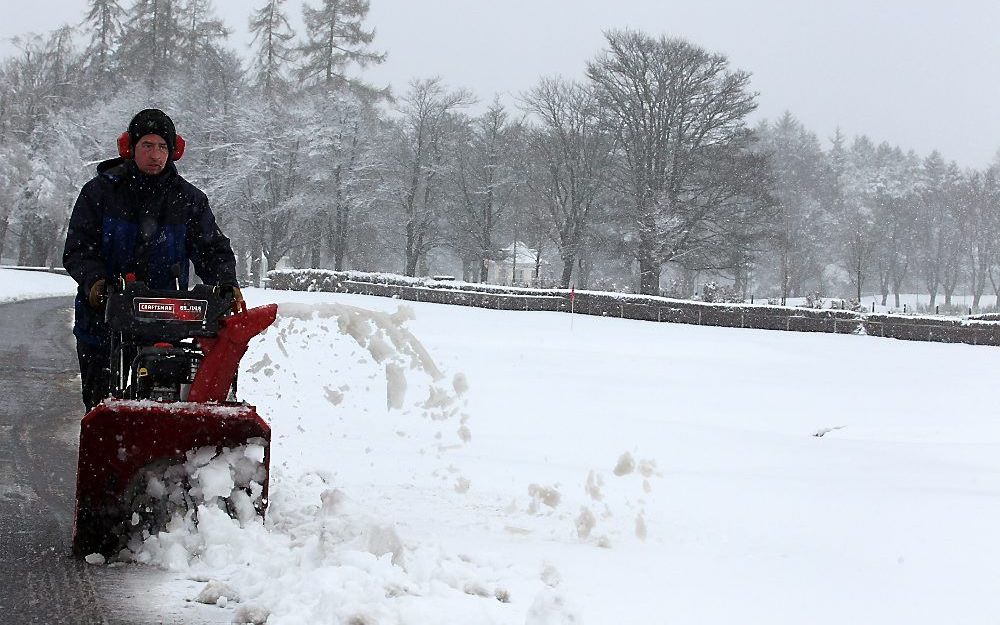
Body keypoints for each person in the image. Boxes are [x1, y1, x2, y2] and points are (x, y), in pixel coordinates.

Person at [63, 108, 243, 410]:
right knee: (101, 407)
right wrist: (96, 282)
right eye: (147, 145)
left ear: (174, 151)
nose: (155, 154)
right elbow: (79, 249)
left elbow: (212, 249)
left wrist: (226, 282)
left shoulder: (189, 201)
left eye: (162, 147)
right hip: (103, 324)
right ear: (130, 147)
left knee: (167, 401)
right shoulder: (100, 193)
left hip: (166, 321)